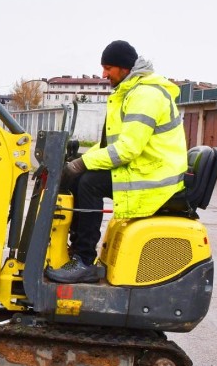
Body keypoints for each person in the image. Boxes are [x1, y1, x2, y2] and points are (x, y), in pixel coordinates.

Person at [46, 40, 188, 283]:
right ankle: (77, 252)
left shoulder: (145, 95)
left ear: (124, 68)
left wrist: (81, 165)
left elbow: (127, 150)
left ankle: (83, 260)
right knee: (83, 177)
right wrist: (81, 160)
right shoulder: (130, 92)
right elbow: (109, 147)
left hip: (154, 176)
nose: (104, 74)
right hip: (144, 168)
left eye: (108, 68)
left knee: (89, 182)